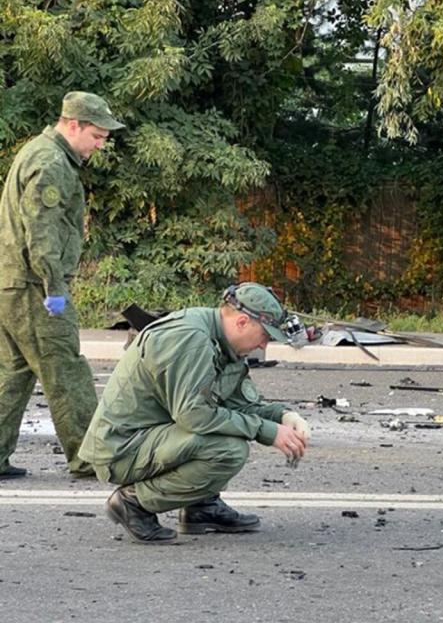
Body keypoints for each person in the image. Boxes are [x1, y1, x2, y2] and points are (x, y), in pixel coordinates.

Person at [78, 282, 311, 544]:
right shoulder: (192, 339)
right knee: (228, 450)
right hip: (121, 449)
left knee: (226, 431)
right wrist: (266, 431)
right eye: (265, 335)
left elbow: (237, 404)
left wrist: (284, 417)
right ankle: (133, 502)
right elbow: (194, 415)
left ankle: (201, 507)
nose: (264, 345)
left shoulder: (224, 342)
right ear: (243, 322)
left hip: (152, 438)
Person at [0, 91, 125, 479]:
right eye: (97, 136)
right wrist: (54, 287)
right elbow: (43, 231)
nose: (100, 145)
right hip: (35, 287)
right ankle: (91, 457)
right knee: (66, 370)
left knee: (14, 372)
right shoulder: (51, 162)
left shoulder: (39, 152)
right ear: (74, 125)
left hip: (13, 284)